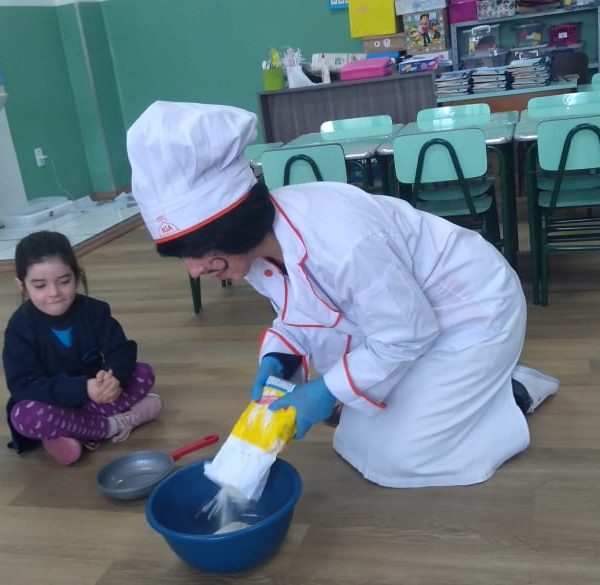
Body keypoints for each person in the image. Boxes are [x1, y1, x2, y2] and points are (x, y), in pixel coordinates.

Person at [125, 101, 559, 489]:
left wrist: (326, 391)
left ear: (234, 227)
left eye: (199, 251)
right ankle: (469, 386)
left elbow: (409, 332)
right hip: (405, 315)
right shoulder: (258, 250)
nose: (194, 270)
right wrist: (282, 357)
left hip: (470, 308)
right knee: (355, 432)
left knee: (398, 456)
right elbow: (299, 310)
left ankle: (514, 392)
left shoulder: (341, 242)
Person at [2, 231, 163, 466]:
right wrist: (82, 388)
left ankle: (76, 431)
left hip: (98, 396)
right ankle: (113, 425)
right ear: (22, 286)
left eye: (64, 281)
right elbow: (23, 385)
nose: (54, 293)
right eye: (40, 285)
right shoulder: (20, 327)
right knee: (23, 415)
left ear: (77, 277)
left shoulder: (94, 311)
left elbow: (121, 349)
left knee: (143, 372)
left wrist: (114, 378)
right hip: (53, 402)